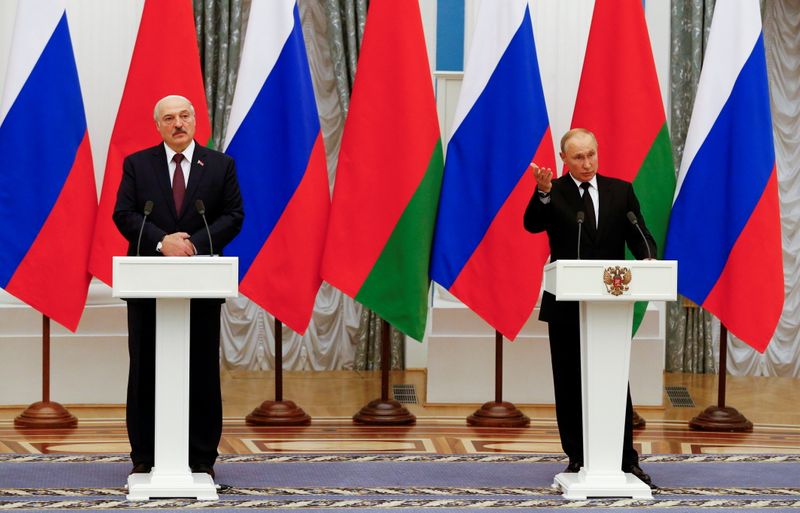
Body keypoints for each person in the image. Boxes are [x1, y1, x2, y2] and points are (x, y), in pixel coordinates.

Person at [113, 95, 244, 478]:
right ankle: (144, 456)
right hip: (148, 284)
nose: (178, 123)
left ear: (195, 120)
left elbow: (234, 216)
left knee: (201, 368)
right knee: (145, 369)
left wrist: (192, 246)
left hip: (200, 283)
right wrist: (161, 242)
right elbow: (124, 214)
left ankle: (201, 457)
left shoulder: (220, 165)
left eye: (184, 115)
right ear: (158, 126)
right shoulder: (138, 164)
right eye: (169, 118)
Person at [523, 128, 657, 489]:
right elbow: (532, 223)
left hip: (608, 307)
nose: (587, 163)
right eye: (578, 157)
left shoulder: (620, 190)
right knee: (569, 383)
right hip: (567, 304)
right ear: (564, 159)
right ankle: (578, 457)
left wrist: (648, 257)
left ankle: (626, 461)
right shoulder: (555, 190)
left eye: (591, 155)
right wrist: (543, 192)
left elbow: (639, 233)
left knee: (615, 385)